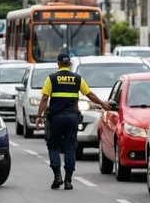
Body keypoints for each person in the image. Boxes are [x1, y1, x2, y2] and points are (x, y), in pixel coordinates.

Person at [35, 53, 110, 190]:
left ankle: (57, 177)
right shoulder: (77, 78)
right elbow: (90, 94)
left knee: (54, 147)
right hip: (72, 118)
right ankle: (68, 180)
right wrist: (102, 104)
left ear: (58, 63)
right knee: (70, 148)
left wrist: (39, 116)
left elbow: (45, 98)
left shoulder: (52, 78)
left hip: (56, 118)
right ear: (69, 64)